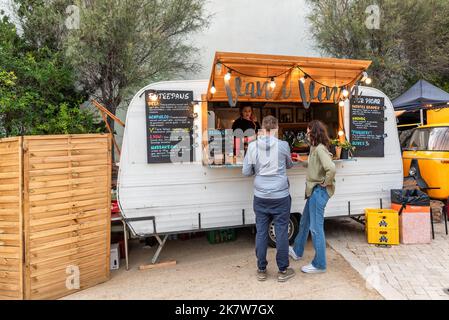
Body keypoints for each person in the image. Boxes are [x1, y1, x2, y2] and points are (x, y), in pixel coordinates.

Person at [242, 115, 295, 282]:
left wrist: (256, 171)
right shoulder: (283, 145)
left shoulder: (252, 147)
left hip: (260, 196)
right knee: (281, 232)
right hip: (280, 195)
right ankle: (282, 271)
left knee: (261, 232)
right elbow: (289, 164)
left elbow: (246, 171)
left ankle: (261, 269)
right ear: (277, 129)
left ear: (262, 129)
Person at [290, 120, 336, 273]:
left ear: (313, 132)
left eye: (308, 131)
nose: (307, 134)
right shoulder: (314, 148)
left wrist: (325, 182)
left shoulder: (320, 149)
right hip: (313, 191)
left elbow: (331, 168)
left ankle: (319, 264)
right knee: (304, 222)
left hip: (318, 191)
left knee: (316, 228)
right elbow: (313, 165)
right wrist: (301, 161)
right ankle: (297, 251)